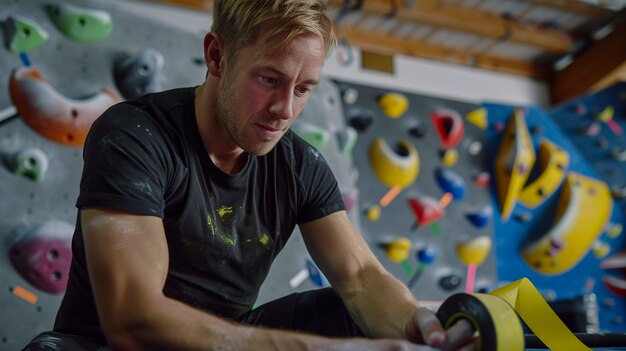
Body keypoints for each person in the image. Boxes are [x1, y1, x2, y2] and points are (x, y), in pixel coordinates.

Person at [23, 0, 475, 350]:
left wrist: (421, 326)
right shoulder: (135, 135)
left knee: (354, 313)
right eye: (269, 80)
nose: (285, 110)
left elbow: (360, 277)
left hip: (228, 342)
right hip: (105, 345)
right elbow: (134, 319)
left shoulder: (301, 164)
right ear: (217, 55)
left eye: (303, 89)